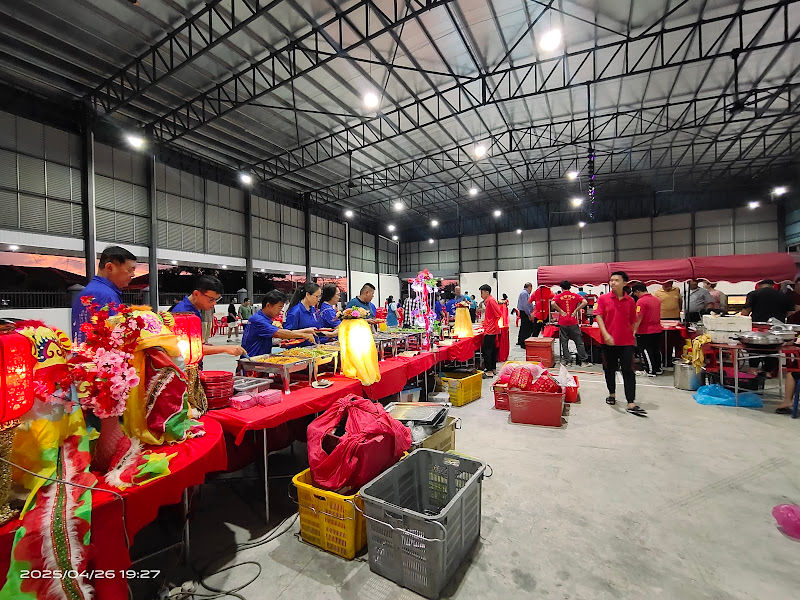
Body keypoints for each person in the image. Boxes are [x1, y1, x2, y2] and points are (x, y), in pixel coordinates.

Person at [595, 271, 647, 416]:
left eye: (616, 280)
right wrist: (605, 334)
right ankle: (611, 394)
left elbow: (633, 320)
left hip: (626, 342)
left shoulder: (630, 301)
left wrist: (633, 332)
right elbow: (598, 316)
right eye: (611, 280)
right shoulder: (603, 299)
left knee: (628, 371)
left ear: (624, 283)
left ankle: (631, 402)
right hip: (608, 342)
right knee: (609, 369)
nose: (613, 282)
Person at [71, 245, 137, 343]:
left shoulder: (90, 290)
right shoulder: (106, 295)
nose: (133, 275)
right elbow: (114, 339)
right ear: (110, 267)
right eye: (130, 270)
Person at [171, 275, 245, 356]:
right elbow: (187, 348)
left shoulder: (195, 309)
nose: (214, 304)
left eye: (216, 300)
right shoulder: (182, 313)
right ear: (196, 294)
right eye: (211, 300)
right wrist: (225, 348)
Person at [241, 290, 316, 357]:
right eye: (279, 308)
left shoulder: (264, 318)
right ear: (268, 305)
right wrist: (303, 335)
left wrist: (305, 331)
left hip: (259, 359)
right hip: (250, 361)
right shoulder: (258, 320)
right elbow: (279, 333)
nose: (280, 312)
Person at [551, 280, 588, 366]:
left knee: (564, 342)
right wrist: (576, 310)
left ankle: (568, 361)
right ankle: (583, 361)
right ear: (570, 287)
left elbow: (552, 303)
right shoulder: (575, 295)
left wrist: (560, 311)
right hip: (573, 321)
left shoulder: (559, 296)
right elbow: (585, 302)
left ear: (561, 288)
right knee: (579, 342)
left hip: (563, 322)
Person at [631, 282, 663, 376]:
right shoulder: (656, 299)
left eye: (635, 293)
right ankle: (658, 368)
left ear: (637, 291)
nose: (635, 295)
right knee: (656, 349)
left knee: (646, 350)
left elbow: (639, 317)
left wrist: (634, 330)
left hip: (645, 330)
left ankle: (650, 370)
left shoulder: (641, 302)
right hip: (657, 329)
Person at [478, 284, 502, 378]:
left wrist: (491, 322)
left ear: (487, 292)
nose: (481, 295)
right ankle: (492, 368)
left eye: (482, 293)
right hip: (490, 328)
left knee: (486, 350)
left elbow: (498, 314)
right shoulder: (488, 301)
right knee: (491, 349)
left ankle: (489, 370)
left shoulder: (491, 301)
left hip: (491, 329)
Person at [516, 282, 534, 347]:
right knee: (526, 328)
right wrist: (529, 314)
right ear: (529, 287)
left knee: (523, 327)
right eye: (531, 288)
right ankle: (523, 343)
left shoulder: (524, 293)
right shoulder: (525, 294)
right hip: (525, 312)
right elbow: (525, 305)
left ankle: (520, 341)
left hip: (524, 312)